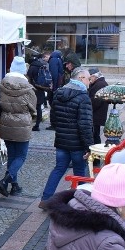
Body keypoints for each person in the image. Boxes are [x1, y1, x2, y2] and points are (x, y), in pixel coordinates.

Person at [39, 67, 93, 207]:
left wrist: (62, 129)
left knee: (58, 169)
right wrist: (89, 146)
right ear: (81, 78)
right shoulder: (83, 97)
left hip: (62, 140)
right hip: (77, 144)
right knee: (80, 171)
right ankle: (83, 202)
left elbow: (54, 117)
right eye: (88, 78)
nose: (90, 81)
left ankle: (45, 199)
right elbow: (85, 124)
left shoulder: (59, 93)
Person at [0, 56, 36, 197]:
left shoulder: (2, 85)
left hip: (6, 122)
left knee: (12, 156)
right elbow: (33, 109)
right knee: (21, 156)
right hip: (22, 125)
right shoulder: (28, 88)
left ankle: (14, 186)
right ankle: (6, 180)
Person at [27, 50, 52, 132]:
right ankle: (37, 125)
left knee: (29, 108)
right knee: (38, 108)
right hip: (41, 89)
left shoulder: (32, 67)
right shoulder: (43, 66)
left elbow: (28, 78)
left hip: (32, 89)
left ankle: (28, 124)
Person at [88, 68, 109, 147]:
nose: (89, 80)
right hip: (97, 114)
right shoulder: (100, 83)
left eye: (90, 78)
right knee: (95, 135)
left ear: (94, 76)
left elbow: (96, 102)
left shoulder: (99, 85)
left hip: (95, 115)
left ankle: (95, 156)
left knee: (94, 136)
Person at [46, 49, 64, 130]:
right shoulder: (59, 59)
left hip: (54, 87)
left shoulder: (53, 60)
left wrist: (53, 87)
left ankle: (53, 124)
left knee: (53, 105)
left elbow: (54, 74)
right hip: (58, 86)